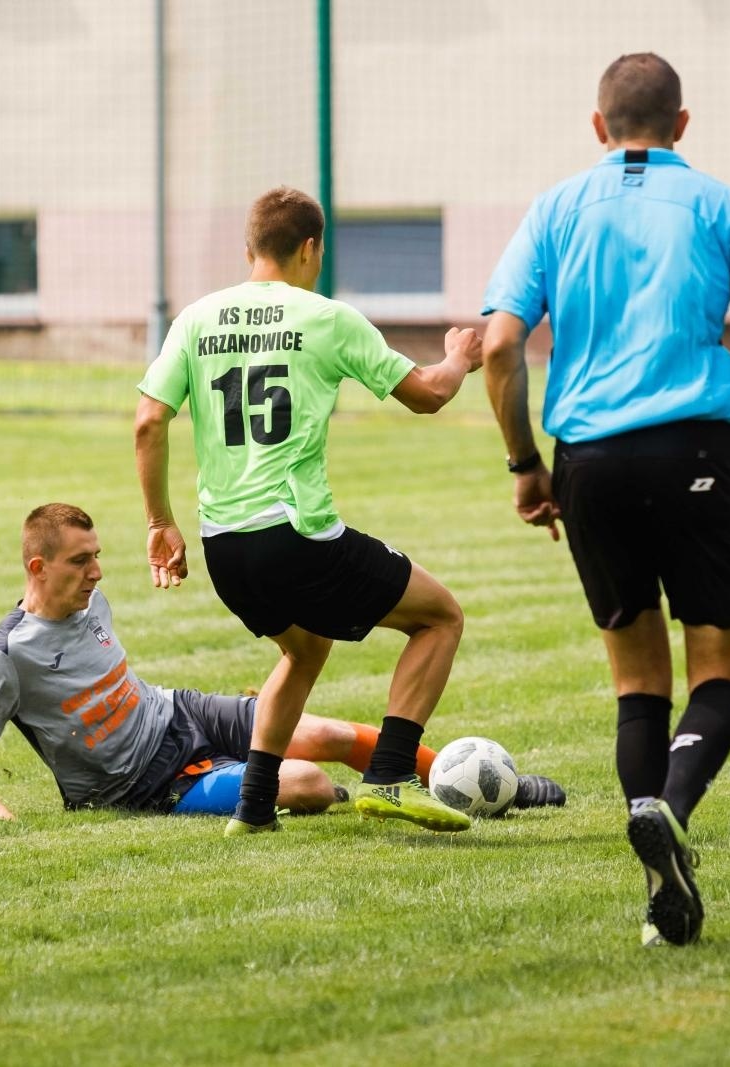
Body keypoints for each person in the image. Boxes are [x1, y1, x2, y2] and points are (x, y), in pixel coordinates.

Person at [480, 53, 730, 946]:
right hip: (697, 444)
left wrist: (525, 464)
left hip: (589, 460)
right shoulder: (718, 203)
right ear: (682, 124)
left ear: (598, 127)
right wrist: (726, 428)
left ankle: (660, 878)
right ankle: (670, 805)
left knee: (637, 681)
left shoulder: (554, 209)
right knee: (718, 672)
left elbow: (501, 346)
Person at [134, 186, 504, 837]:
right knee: (440, 616)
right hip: (295, 534)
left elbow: (148, 422)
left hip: (224, 546)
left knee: (302, 652)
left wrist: (159, 522)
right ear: (311, 248)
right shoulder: (326, 318)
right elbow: (427, 395)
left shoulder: (195, 318)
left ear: (249, 248)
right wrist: (458, 358)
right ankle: (389, 775)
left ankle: (252, 807)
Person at [0, 503, 567, 820]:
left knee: (336, 735)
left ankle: (492, 791)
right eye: (80, 562)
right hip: (141, 782)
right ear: (37, 567)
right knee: (309, 786)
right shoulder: (5, 658)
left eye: (96, 556)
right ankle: (250, 779)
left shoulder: (93, 602)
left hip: (181, 712)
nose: (96, 572)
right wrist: (5, 825)